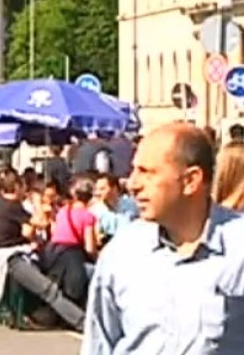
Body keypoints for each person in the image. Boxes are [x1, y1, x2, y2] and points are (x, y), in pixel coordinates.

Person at [83, 123, 244, 354]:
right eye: (134, 170)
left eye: (147, 172)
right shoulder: (123, 252)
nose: (133, 184)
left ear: (191, 180)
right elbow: (98, 343)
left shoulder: (238, 248)